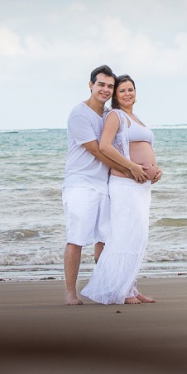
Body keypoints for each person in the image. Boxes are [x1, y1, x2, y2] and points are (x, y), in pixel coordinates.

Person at [62, 64, 142, 305]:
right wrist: (129, 169)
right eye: (101, 85)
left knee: (106, 239)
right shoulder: (79, 114)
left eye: (110, 86)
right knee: (76, 239)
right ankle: (70, 293)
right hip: (80, 185)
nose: (106, 90)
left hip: (105, 185)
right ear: (90, 85)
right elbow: (97, 151)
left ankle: (110, 288)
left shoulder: (108, 115)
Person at [80, 74, 161, 305]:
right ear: (116, 95)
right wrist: (132, 167)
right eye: (122, 90)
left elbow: (143, 147)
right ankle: (119, 290)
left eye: (130, 89)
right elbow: (105, 146)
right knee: (124, 236)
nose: (127, 94)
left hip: (142, 186)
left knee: (138, 236)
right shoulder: (116, 115)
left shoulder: (136, 118)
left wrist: (156, 168)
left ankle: (131, 287)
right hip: (125, 184)